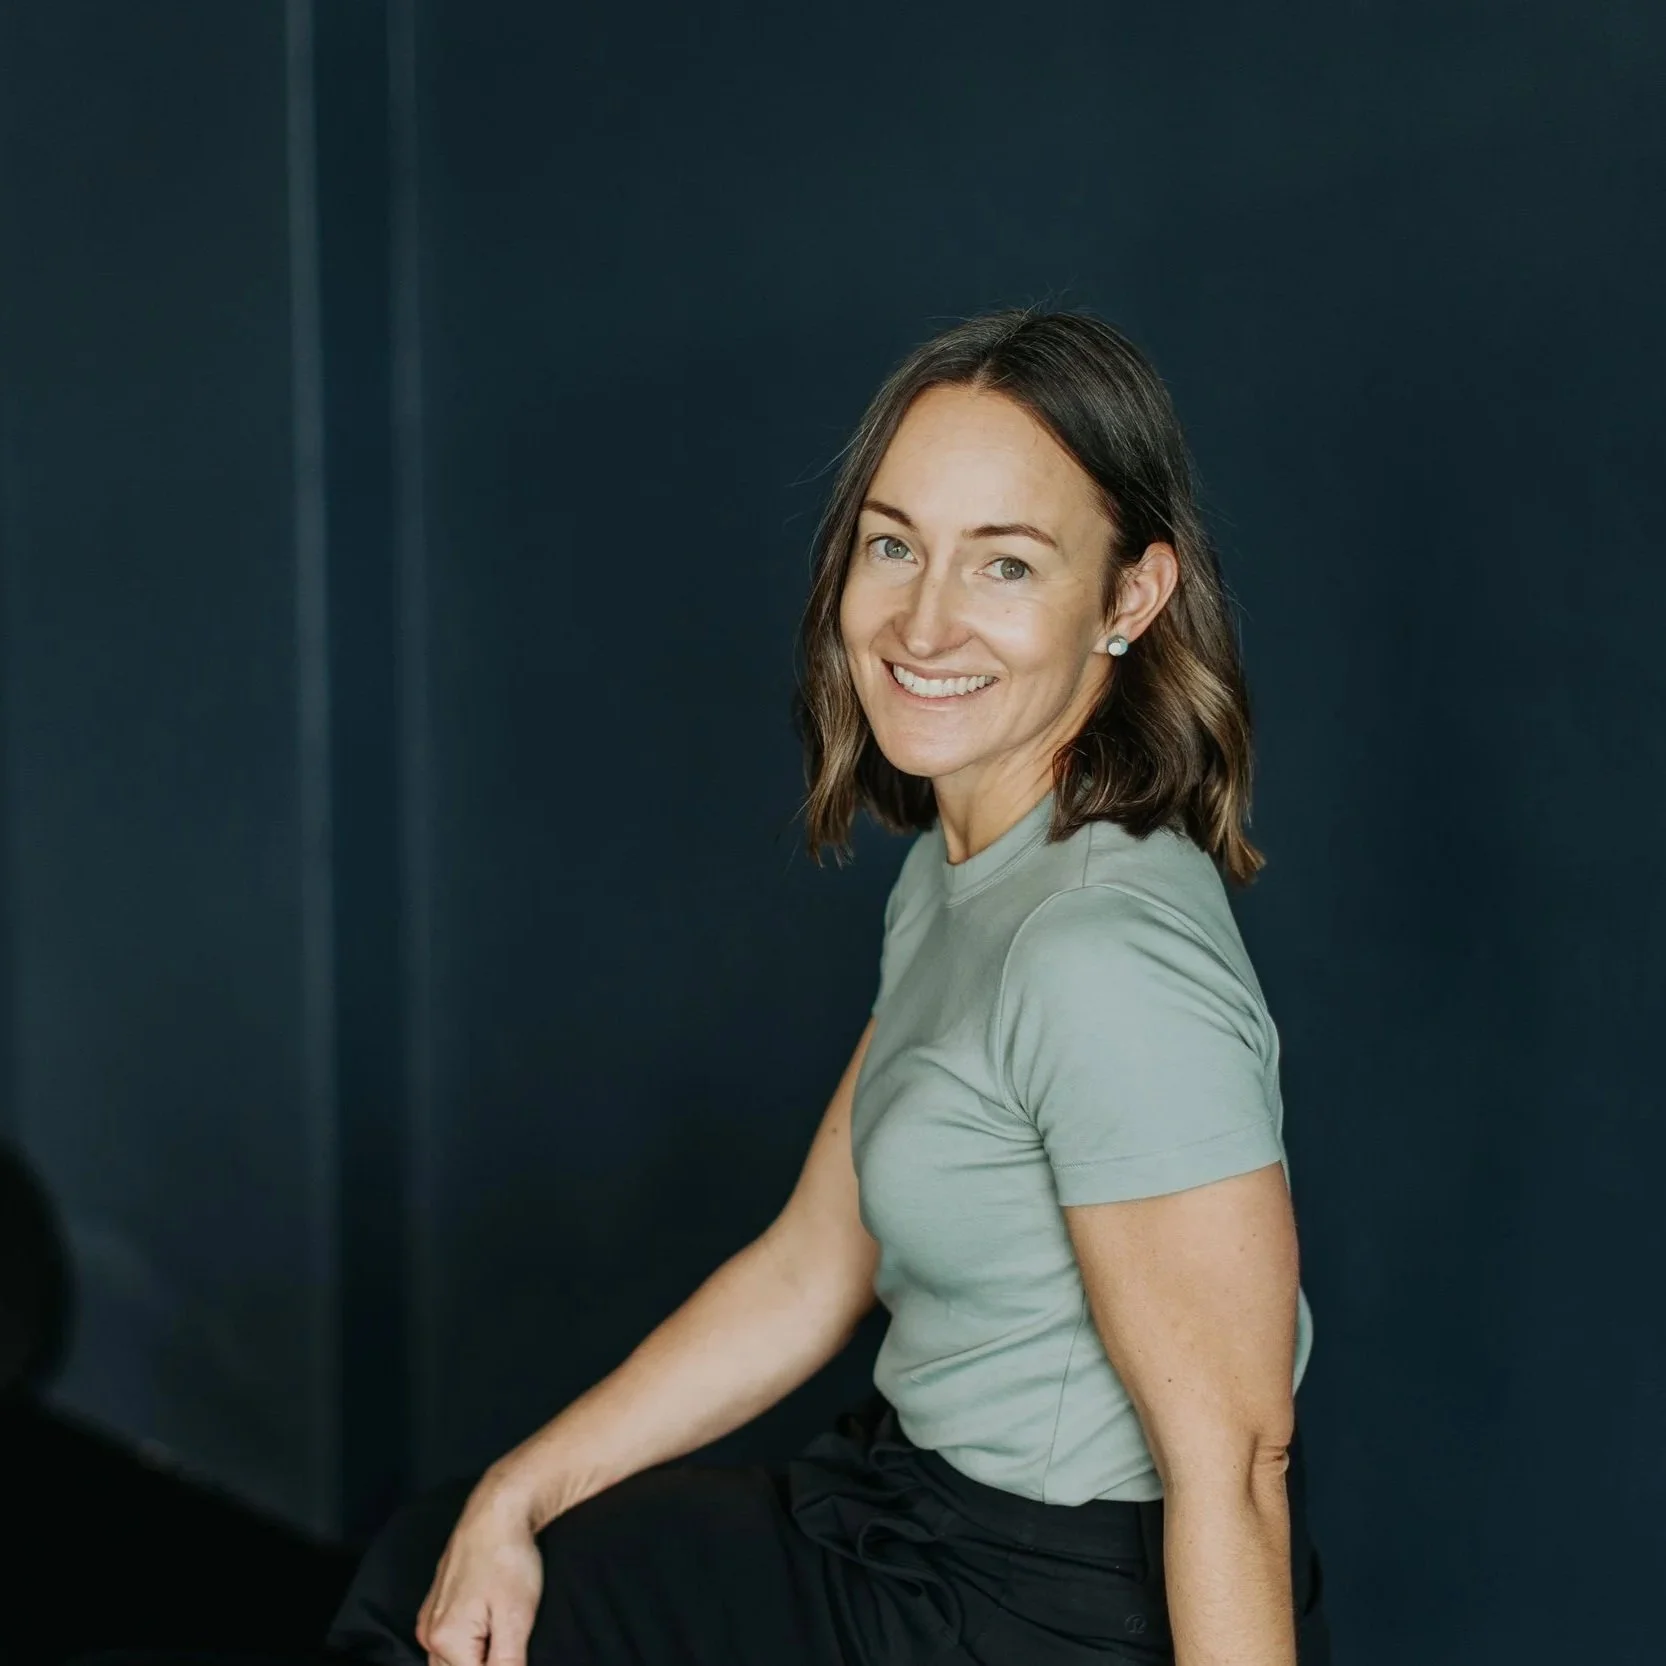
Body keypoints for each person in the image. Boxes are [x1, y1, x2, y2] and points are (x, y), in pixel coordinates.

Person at [328, 307, 1331, 1666]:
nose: (922, 620)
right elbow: (813, 1265)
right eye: (893, 542)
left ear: (1129, 599)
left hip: (1045, 1614)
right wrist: (526, 1485)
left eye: (1006, 565)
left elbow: (1238, 1467)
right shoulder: (968, 870)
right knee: (449, 1556)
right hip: (909, 1521)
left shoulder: (1103, 959)